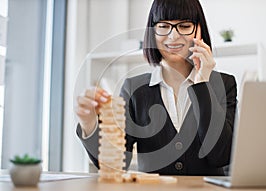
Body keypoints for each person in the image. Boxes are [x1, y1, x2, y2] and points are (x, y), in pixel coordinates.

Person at [75, 0, 237, 176]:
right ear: (152, 31)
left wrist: (202, 84)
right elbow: (116, 164)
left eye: (184, 26)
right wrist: (89, 123)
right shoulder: (133, 88)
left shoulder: (225, 84)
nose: (173, 36)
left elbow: (221, 156)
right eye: (163, 26)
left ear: (199, 30)